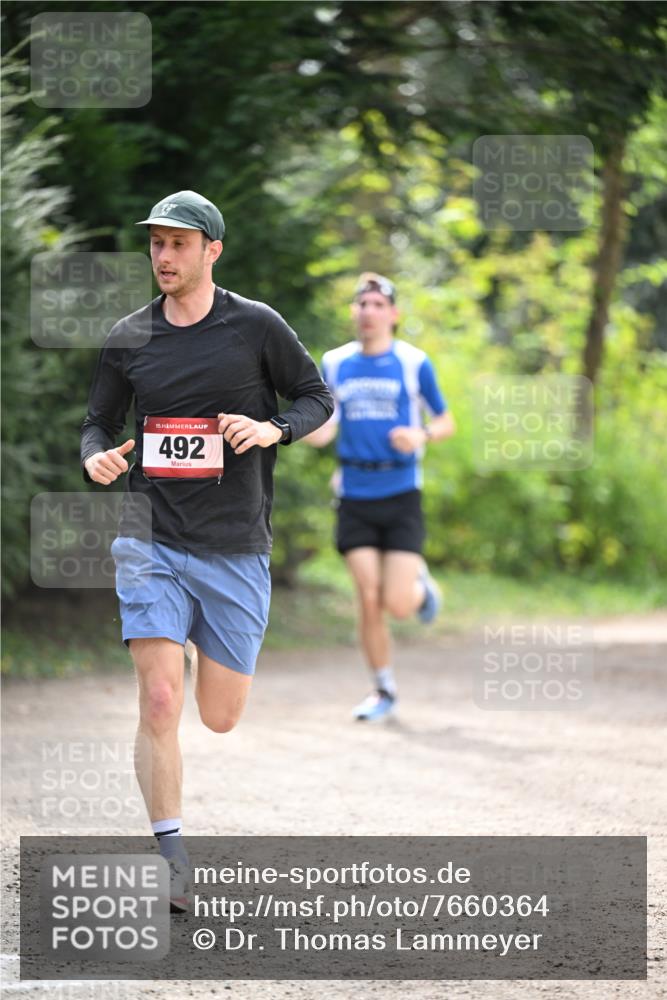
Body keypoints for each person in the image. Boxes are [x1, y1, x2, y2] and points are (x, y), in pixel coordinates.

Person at [80, 190, 333, 910]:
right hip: (150, 538)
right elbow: (97, 421)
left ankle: (195, 633)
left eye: (178, 244)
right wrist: (96, 456)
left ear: (211, 251)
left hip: (233, 545)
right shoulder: (129, 334)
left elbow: (316, 398)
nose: (164, 256)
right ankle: (171, 855)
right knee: (161, 697)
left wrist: (273, 429)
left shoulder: (256, 327)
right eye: (156, 244)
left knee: (218, 715)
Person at [305, 273, 455, 722]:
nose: (368, 312)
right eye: (361, 304)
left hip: (401, 491)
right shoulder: (334, 363)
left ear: (393, 314)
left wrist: (421, 433)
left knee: (397, 605)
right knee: (367, 596)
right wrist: (302, 431)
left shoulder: (413, 363)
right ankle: (383, 688)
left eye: (377, 304)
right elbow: (325, 422)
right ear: (353, 312)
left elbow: (446, 421)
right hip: (354, 493)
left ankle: (419, 587)